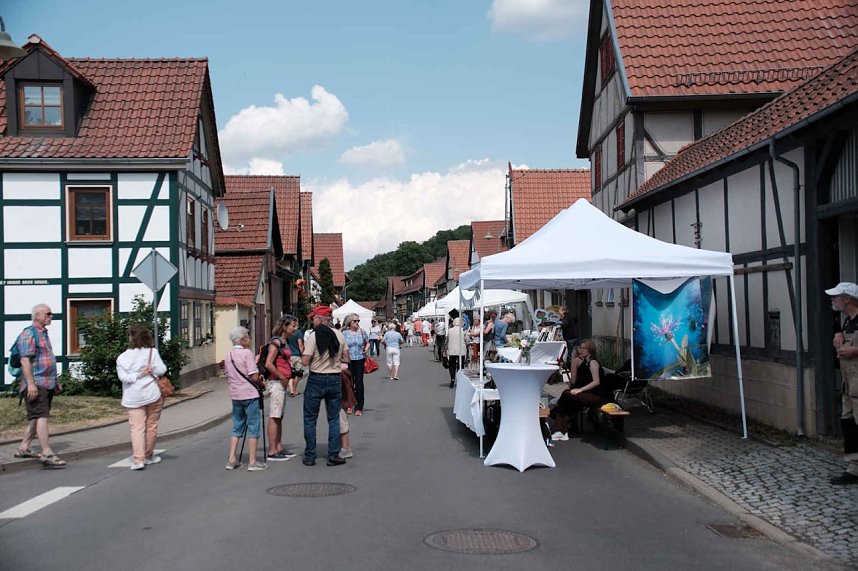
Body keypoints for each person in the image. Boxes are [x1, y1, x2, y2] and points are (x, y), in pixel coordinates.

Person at [14, 304, 66, 467]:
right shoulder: (28, 333)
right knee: (42, 416)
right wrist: (31, 384)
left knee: (37, 416)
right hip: (36, 383)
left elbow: (48, 358)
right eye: (48, 314)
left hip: (47, 382)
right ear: (37, 316)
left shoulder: (43, 333)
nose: (51, 316)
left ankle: (24, 447)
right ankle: (46, 452)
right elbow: (25, 360)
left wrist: (55, 382)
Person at [301, 305, 349, 466]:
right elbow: (347, 359)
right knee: (334, 418)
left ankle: (310, 456)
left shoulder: (314, 337)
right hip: (334, 379)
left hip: (316, 379)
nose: (312, 321)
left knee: (310, 419)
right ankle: (334, 455)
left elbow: (305, 361)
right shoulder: (340, 335)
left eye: (314, 318)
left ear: (320, 319)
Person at [116, 324, 166, 471]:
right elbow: (162, 369)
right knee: (151, 426)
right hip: (152, 393)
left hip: (133, 396)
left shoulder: (122, 358)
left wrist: (136, 375)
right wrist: (150, 370)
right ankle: (149, 455)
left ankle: (139, 460)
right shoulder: (152, 353)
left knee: (137, 428)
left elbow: (123, 378)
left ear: (131, 338)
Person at [223, 326, 267, 471]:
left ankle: (232, 459)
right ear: (242, 340)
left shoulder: (228, 355)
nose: (250, 338)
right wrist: (262, 383)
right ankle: (252, 461)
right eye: (248, 336)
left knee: (237, 426)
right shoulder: (247, 353)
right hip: (249, 394)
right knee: (253, 426)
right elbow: (254, 376)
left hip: (235, 394)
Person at [828, 282, 858, 485]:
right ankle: (854, 468)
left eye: (836, 296)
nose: (832, 299)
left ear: (847, 299)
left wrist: (855, 351)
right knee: (849, 424)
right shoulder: (848, 321)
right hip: (849, 384)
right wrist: (838, 333)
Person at [551, 339, 611, 441]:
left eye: (584, 348)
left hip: (597, 396)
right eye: (581, 348)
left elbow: (596, 381)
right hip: (590, 393)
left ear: (590, 350)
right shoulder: (586, 362)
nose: (581, 350)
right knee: (568, 400)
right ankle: (562, 429)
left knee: (566, 395)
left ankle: (560, 425)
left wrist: (580, 390)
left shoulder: (593, 363)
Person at [264, 316, 299, 461]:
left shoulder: (284, 342)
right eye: (293, 326)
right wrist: (281, 376)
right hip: (276, 383)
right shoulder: (276, 342)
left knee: (279, 416)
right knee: (275, 415)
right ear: (284, 326)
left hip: (282, 383)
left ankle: (279, 447)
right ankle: (272, 451)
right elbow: (268, 363)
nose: (295, 329)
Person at [343, 313, 370, 415]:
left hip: (359, 359)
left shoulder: (362, 332)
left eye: (358, 321)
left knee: (359, 383)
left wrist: (366, 349)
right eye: (355, 321)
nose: (357, 323)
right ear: (349, 322)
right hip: (348, 360)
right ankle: (349, 405)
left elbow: (367, 342)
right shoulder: (344, 333)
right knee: (349, 383)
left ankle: (359, 407)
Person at [444, 317, 467, 388]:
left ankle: (452, 379)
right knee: (460, 366)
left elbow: (447, 341)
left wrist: (445, 349)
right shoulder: (463, 330)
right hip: (461, 350)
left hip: (452, 350)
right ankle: (460, 380)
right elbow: (466, 340)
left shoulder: (450, 330)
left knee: (452, 365)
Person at [286, 319, 305, 397]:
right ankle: (294, 389)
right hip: (297, 355)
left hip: (288, 355)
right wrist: (302, 354)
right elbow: (300, 344)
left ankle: (291, 389)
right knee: (297, 373)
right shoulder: (298, 332)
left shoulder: (287, 332)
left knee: (290, 374)